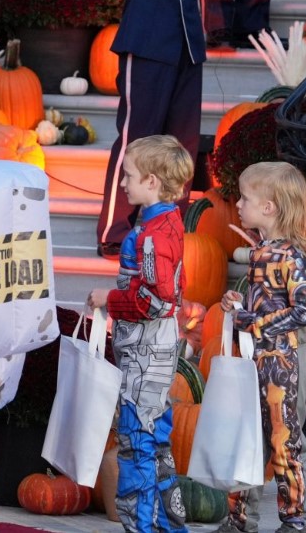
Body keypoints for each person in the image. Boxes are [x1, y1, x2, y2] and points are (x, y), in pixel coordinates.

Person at [96, 0, 275, 260]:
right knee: (136, 139)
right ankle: (114, 232)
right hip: (146, 42)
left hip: (188, 46)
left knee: (182, 145)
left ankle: (169, 227)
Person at [87, 135, 195, 532]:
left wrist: (110, 299)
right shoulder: (165, 223)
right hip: (152, 349)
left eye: (128, 176)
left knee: (137, 440)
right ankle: (170, 525)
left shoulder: (151, 235)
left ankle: (143, 526)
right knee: (156, 437)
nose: (122, 184)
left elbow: (157, 299)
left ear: (151, 182)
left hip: (146, 351)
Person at [219, 161, 306, 533]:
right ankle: (240, 519)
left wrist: (254, 322)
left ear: (269, 207)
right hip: (257, 357)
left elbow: (305, 310)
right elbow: (267, 303)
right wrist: (239, 304)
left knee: (284, 438)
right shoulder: (261, 251)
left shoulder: (290, 257)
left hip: (286, 359)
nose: (238, 205)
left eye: (245, 198)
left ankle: (294, 520)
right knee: (248, 436)